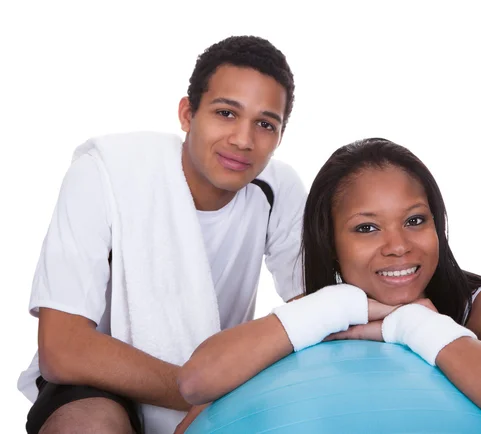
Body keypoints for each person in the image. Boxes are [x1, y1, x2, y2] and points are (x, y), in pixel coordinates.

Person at [18, 35, 307, 434]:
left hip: (221, 380)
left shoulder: (278, 189)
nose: (243, 139)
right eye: (226, 113)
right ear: (187, 114)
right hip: (98, 382)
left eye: (264, 124)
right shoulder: (104, 172)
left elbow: (312, 309)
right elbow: (63, 349)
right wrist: (201, 390)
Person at [178, 138, 481, 434]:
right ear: (331, 245)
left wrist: (412, 325)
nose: (398, 246)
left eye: (414, 221)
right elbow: (194, 386)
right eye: (366, 228)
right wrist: (337, 307)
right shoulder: (317, 314)